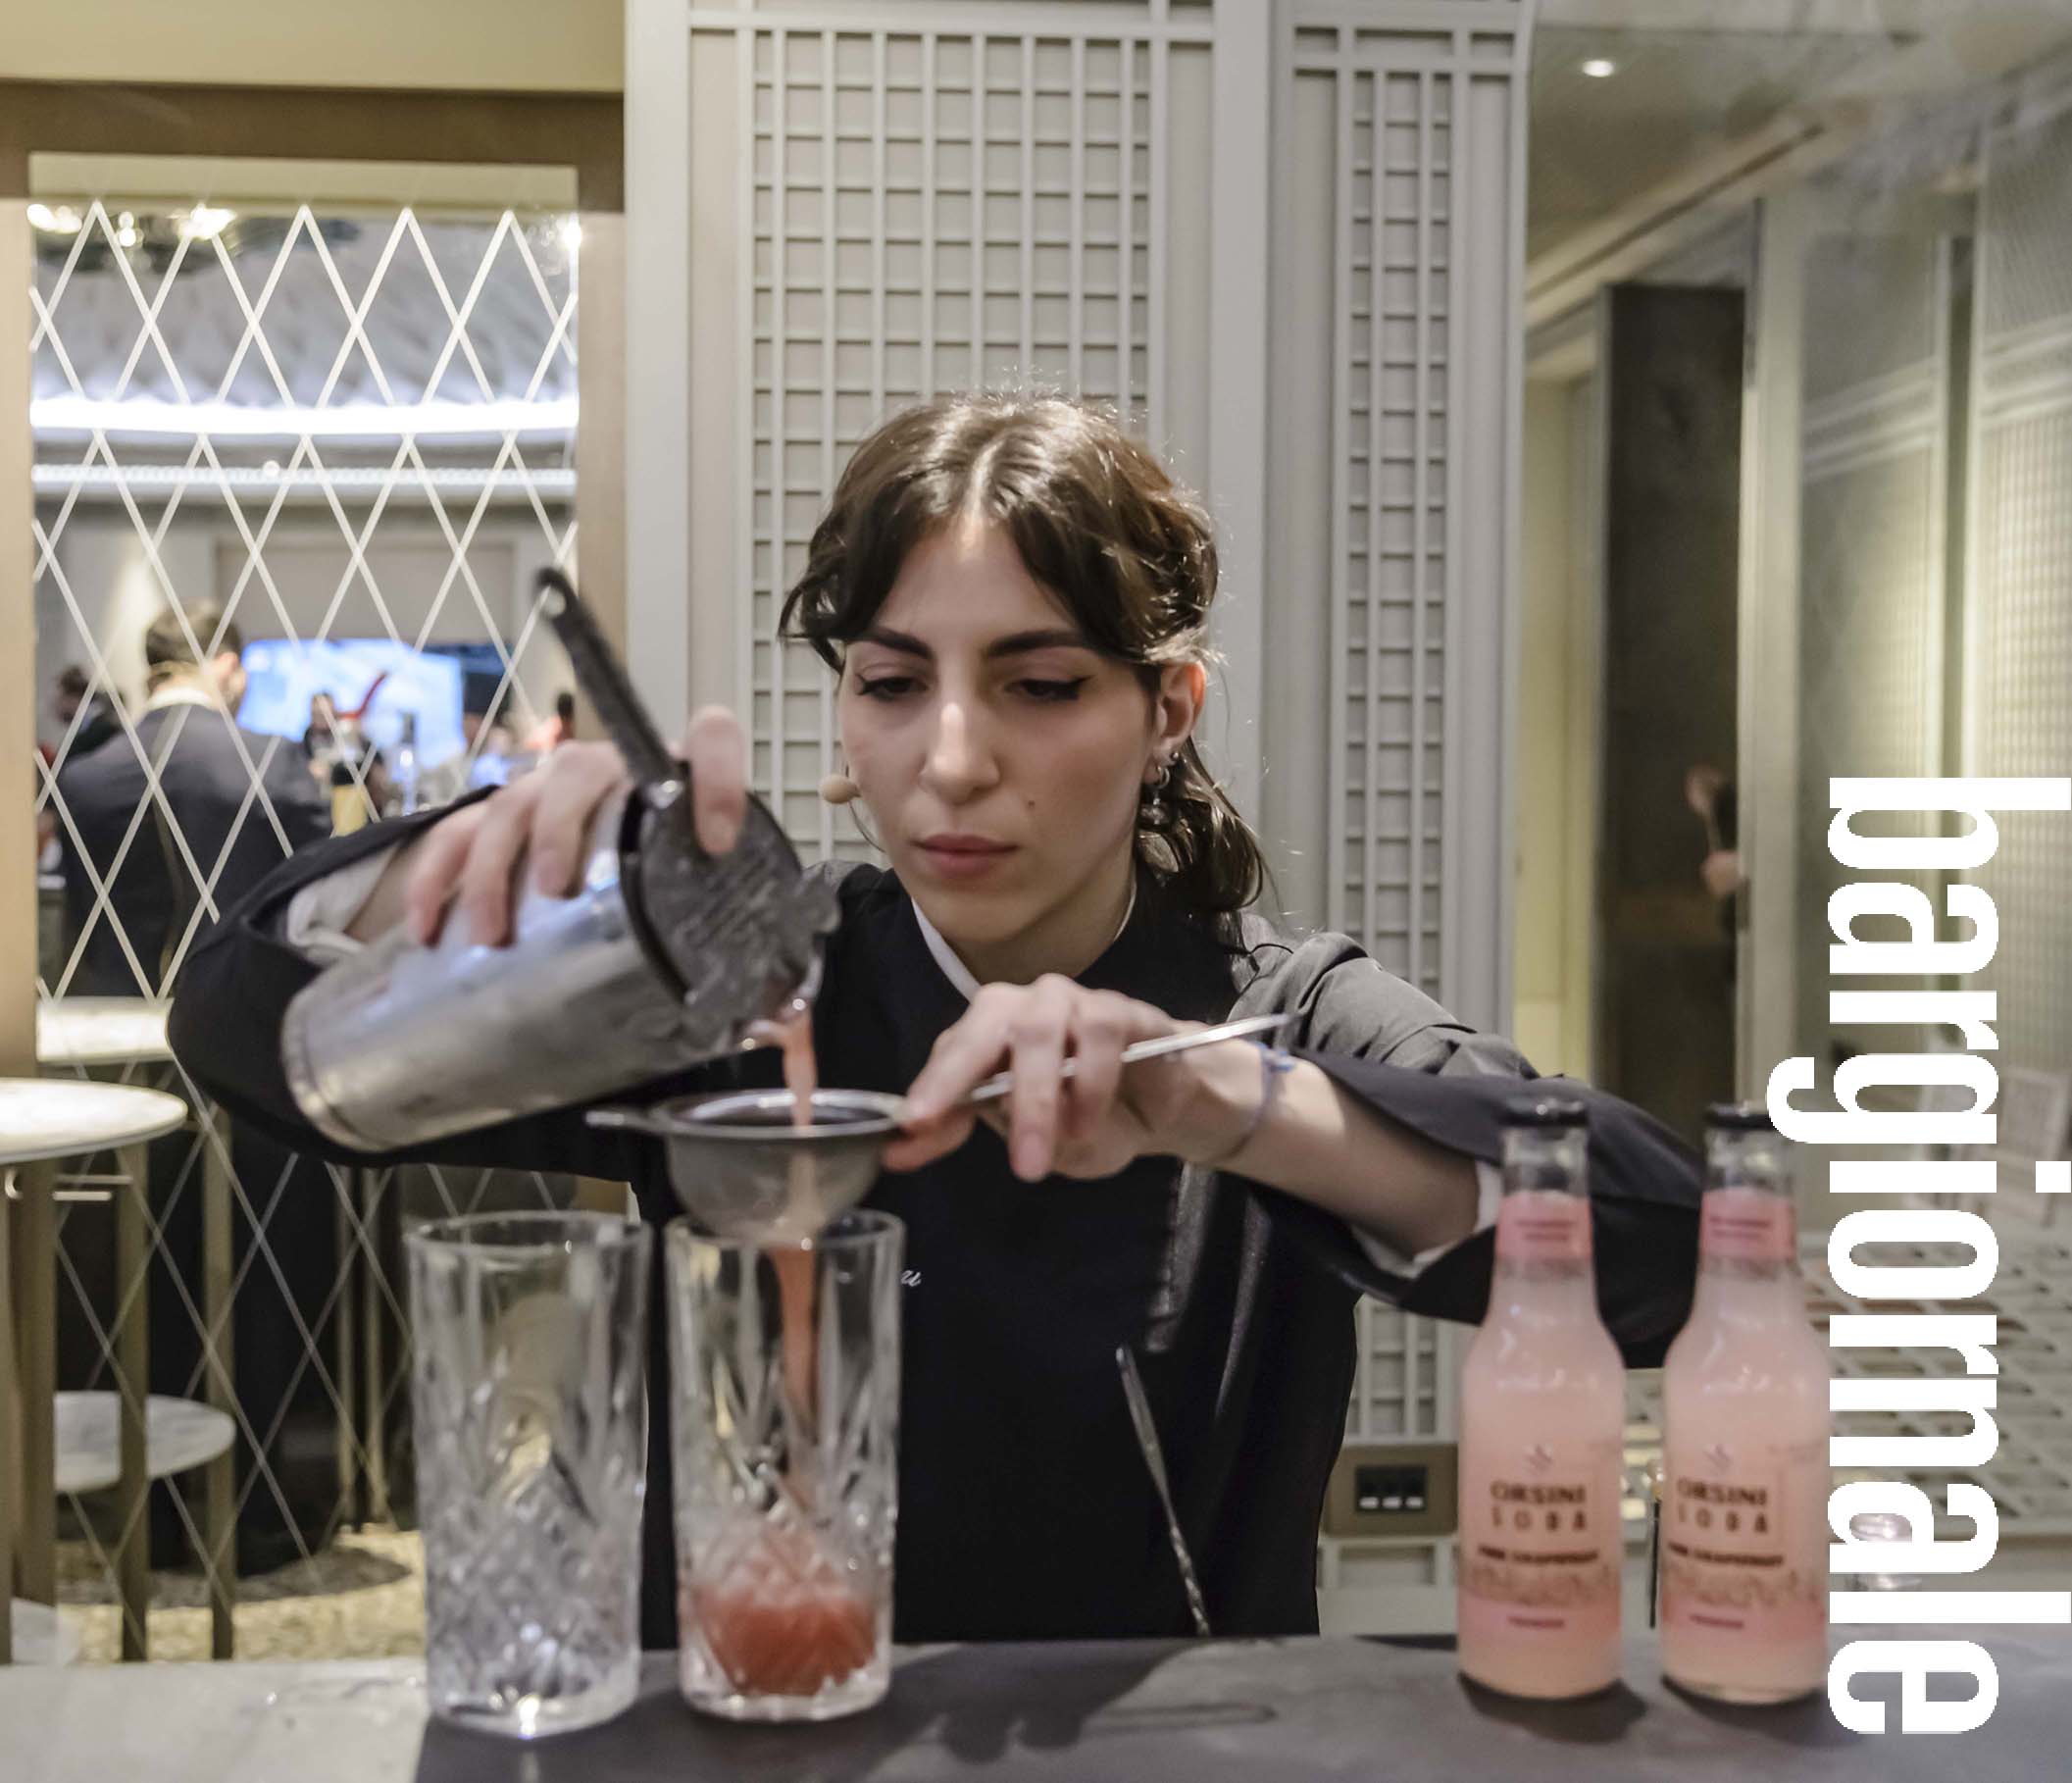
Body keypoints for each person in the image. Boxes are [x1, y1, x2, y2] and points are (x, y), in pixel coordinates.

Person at [171, 394, 1700, 1646]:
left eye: (1041, 686)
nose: (952, 760)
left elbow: (1660, 1252)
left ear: (1167, 715)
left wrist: (1228, 1108)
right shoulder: (739, 989)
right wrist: (469, 882)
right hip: (748, 1724)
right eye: (894, 683)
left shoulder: (1273, 1014)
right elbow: (239, 1036)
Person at [57, 601, 328, 994]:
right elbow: (319, 885)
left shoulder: (82, 777)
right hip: (237, 1007)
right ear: (228, 667)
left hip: (110, 1014)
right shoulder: (270, 760)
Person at [52, 662, 121, 759]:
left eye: (60, 699)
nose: (56, 707)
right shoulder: (89, 726)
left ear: (73, 696)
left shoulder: (105, 729)